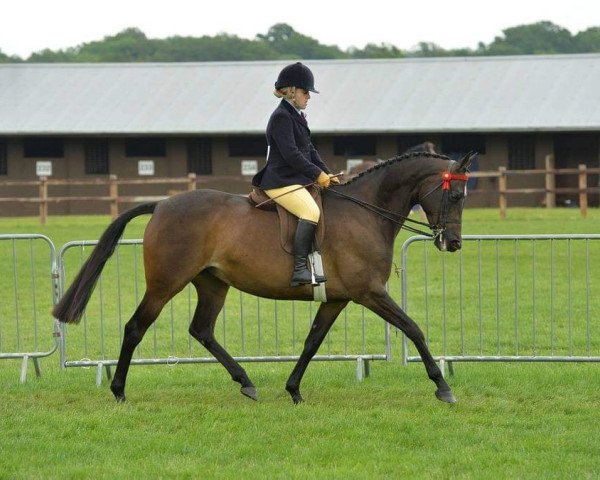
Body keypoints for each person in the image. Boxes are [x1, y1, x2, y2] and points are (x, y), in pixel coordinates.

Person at [252, 62, 339, 287]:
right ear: (291, 91)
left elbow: (309, 150)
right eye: (305, 91)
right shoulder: (282, 116)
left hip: (294, 179)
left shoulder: (297, 116)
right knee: (310, 211)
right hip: (279, 180)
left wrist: (327, 173)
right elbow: (291, 155)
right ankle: (299, 268)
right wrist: (317, 174)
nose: (308, 96)